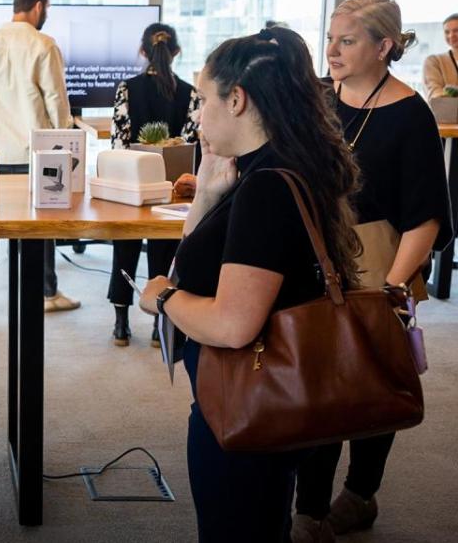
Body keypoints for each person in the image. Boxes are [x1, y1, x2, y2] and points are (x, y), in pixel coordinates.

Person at [139, 26, 363, 542]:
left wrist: (163, 299)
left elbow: (233, 324)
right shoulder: (271, 170)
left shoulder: (267, 188)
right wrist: (207, 199)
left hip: (246, 408)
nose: (195, 114)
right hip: (262, 401)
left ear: (236, 99)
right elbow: (197, 266)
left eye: (201, 99)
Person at [294, 0, 452, 540]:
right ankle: (308, 509)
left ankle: (360, 494)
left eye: (347, 41)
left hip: (380, 262)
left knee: (369, 387)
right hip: (312, 256)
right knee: (314, 386)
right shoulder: (315, 98)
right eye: (331, 38)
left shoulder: (412, 115)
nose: (331, 51)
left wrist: (390, 291)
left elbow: (426, 217)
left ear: (384, 47)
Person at [0, 0, 78, 316]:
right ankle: (46, 292)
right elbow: (57, 102)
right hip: (33, 152)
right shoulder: (43, 45)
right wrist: (67, 145)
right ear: (40, 6)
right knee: (41, 223)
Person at [107, 23, 199, 347]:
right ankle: (160, 325)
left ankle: (121, 324)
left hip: (131, 185)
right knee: (164, 251)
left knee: (124, 249)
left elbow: (118, 143)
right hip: (172, 189)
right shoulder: (191, 92)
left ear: (143, 52)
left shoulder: (126, 89)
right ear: (176, 52)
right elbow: (191, 145)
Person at [421, 12, 458, 99]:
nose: (451, 35)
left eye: (457, 30)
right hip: (448, 111)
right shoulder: (434, 61)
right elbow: (434, 92)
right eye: (447, 32)